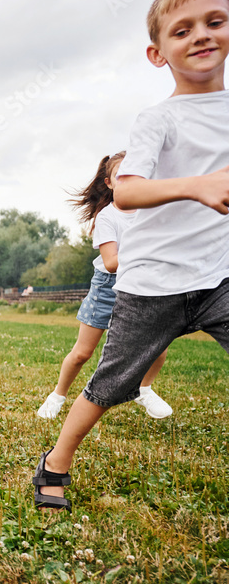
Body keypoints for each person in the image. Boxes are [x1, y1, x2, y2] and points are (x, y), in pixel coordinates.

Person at [33, 0, 229, 512]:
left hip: (218, 278)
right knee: (111, 384)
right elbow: (127, 191)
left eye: (215, 21)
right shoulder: (158, 119)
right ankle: (56, 461)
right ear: (157, 53)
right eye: (182, 30)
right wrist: (198, 185)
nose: (201, 36)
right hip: (154, 284)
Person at [36, 152, 172, 421]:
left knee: (159, 348)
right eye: (121, 175)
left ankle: (144, 390)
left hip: (142, 283)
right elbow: (111, 263)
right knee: (82, 353)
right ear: (109, 183)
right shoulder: (107, 217)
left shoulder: (151, 212)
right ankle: (58, 395)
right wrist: (149, 253)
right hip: (108, 286)